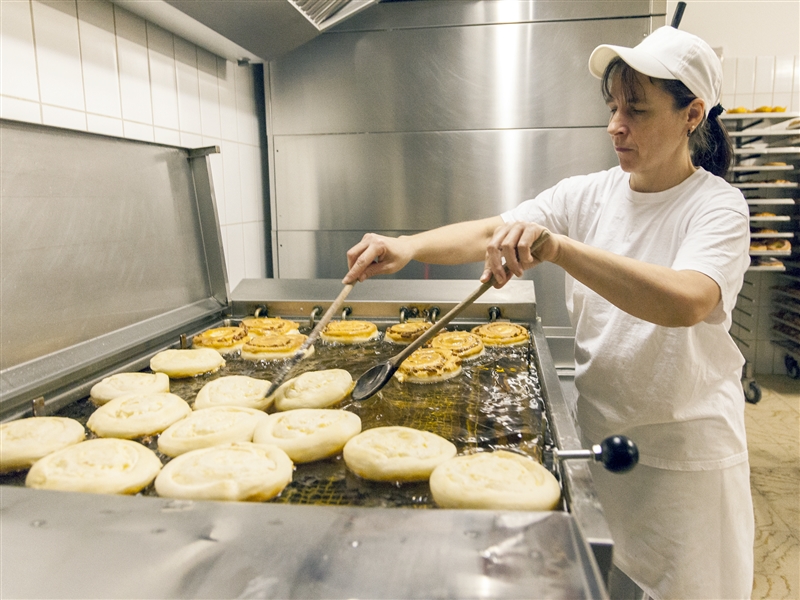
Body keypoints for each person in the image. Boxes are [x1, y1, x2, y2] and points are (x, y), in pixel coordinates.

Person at [342, 26, 754, 600]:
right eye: (613, 107)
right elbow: (493, 229)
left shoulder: (716, 207)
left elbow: (686, 300)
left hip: (683, 467)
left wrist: (559, 248)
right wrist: (407, 247)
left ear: (692, 115)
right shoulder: (592, 193)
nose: (616, 125)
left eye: (636, 109)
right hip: (601, 446)